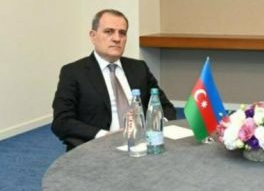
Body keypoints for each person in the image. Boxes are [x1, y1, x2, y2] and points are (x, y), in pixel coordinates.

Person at [52, 9, 176, 151]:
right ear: (93, 36)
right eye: (109, 31)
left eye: (122, 33)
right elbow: (62, 122)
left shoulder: (139, 68)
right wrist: (103, 136)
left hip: (143, 144)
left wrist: (156, 128)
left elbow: (165, 107)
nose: (117, 38)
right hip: (98, 148)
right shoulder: (73, 72)